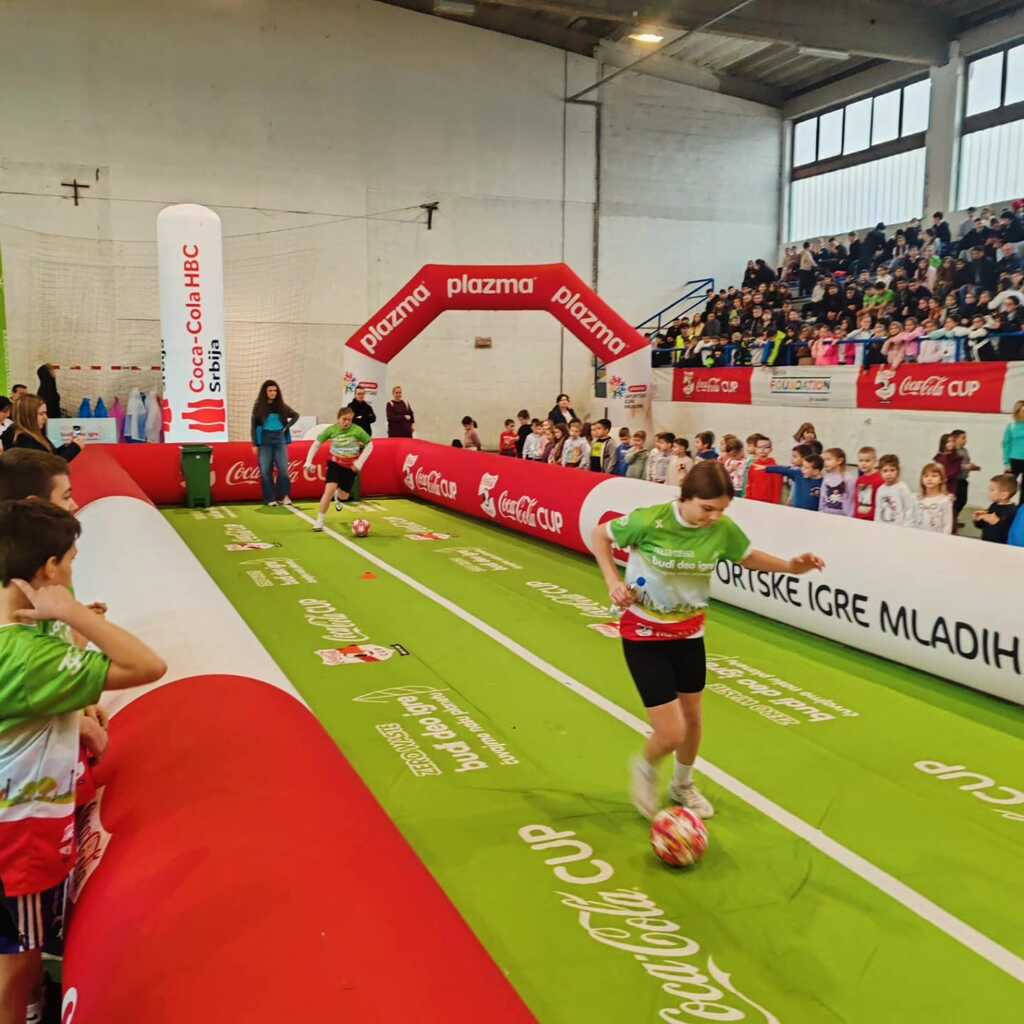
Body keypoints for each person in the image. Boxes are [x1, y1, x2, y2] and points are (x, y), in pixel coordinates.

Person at [0, 500, 166, 1024]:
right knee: (15, 959)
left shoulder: (21, 639)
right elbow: (146, 665)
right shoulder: (29, 657)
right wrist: (73, 614)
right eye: (70, 561)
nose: (74, 572)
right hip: (19, 832)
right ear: (49, 570)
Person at [591, 461, 824, 820]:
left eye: (722, 510)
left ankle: (682, 785)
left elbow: (748, 557)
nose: (714, 517)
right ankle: (645, 767)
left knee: (693, 720)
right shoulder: (649, 520)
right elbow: (600, 535)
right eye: (707, 508)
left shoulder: (721, 529)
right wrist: (612, 581)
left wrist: (791, 567)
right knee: (671, 733)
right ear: (686, 497)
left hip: (689, 633)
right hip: (645, 633)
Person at [303, 406, 373, 532]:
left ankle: (337, 493)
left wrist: (359, 463)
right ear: (338, 418)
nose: (347, 422)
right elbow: (316, 444)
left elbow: (370, 445)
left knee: (344, 496)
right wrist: (308, 462)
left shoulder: (357, 430)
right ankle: (319, 521)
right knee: (328, 490)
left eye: (349, 420)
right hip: (335, 464)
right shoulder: (331, 430)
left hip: (350, 467)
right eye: (344, 419)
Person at [250, 380, 299, 508]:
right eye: (270, 391)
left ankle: (284, 496)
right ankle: (270, 498)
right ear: (265, 392)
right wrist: (254, 444)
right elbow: (253, 426)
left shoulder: (281, 406)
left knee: (283, 469)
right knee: (266, 470)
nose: (273, 393)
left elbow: (295, 415)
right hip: (265, 440)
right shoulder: (258, 406)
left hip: (280, 440)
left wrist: (286, 427)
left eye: (275, 390)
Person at [4, 396, 82, 462]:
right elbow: (50, 467)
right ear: (28, 416)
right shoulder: (24, 442)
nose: (46, 418)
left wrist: (67, 446)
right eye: (41, 414)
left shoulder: (32, 432)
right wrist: (75, 447)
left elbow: (51, 454)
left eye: (45, 413)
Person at [763, 446, 821, 511]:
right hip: (796, 508)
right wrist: (766, 468)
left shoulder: (820, 480)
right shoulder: (797, 473)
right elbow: (783, 470)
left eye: (795, 456)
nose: (791, 460)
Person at [973, 474, 1018, 543]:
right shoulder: (994, 505)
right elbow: (983, 526)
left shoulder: (1012, 511)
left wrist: (997, 523)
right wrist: (978, 519)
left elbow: (1008, 533)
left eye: (992, 490)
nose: (988, 492)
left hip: (1000, 546)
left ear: (1004, 495)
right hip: (986, 542)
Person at [875, 454, 917, 526]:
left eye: (892, 470)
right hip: (883, 527)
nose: (889, 474)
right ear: (880, 472)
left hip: (899, 527)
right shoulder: (880, 490)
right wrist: (876, 525)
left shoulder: (902, 487)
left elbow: (909, 509)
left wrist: (906, 526)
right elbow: (878, 510)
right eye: (885, 471)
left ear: (898, 470)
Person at [950, 429, 980, 526]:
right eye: (963, 438)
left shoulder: (965, 450)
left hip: (963, 479)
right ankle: (951, 521)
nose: (965, 440)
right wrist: (966, 466)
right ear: (955, 439)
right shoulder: (952, 451)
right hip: (955, 481)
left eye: (965, 438)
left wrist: (973, 467)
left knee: (962, 501)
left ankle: (954, 518)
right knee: (955, 502)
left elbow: (965, 464)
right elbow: (952, 466)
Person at [915, 463, 954, 534]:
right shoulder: (917, 498)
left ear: (941, 479)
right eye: (926, 476)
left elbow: (947, 525)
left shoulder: (945, 501)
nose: (929, 479)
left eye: (934, 476)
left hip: (936, 537)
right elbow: (911, 520)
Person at [819, 448, 856, 517]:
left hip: (843, 517)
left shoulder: (848, 479)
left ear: (839, 461)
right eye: (824, 460)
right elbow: (822, 497)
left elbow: (851, 500)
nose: (825, 462)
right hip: (826, 515)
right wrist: (821, 512)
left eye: (828, 459)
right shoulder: (826, 478)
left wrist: (850, 518)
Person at [744, 436, 782, 504]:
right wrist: (748, 500)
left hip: (768, 503)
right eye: (759, 447)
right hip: (753, 501)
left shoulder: (775, 467)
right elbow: (749, 484)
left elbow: (777, 489)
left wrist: (775, 505)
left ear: (770, 449)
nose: (762, 449)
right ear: (755, 449)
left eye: (766, 447)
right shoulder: (753, 466)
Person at [854, 447, 883, 522]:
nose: (863, 463)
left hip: (872, 519)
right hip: (859, 517)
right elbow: (857, 500)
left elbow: (880, 502)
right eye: (861, 460)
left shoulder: (880, 479)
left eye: (867, 461)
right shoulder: (859, 480)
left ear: (875, 462)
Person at [1002, 400, 1024, 500]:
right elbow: (1006, 445)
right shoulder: (1011, 426)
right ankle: (1002, 506)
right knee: (1007, 487)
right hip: (1014, 460)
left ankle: (1021, 508)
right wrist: (1007, 463)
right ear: (1018, 411)